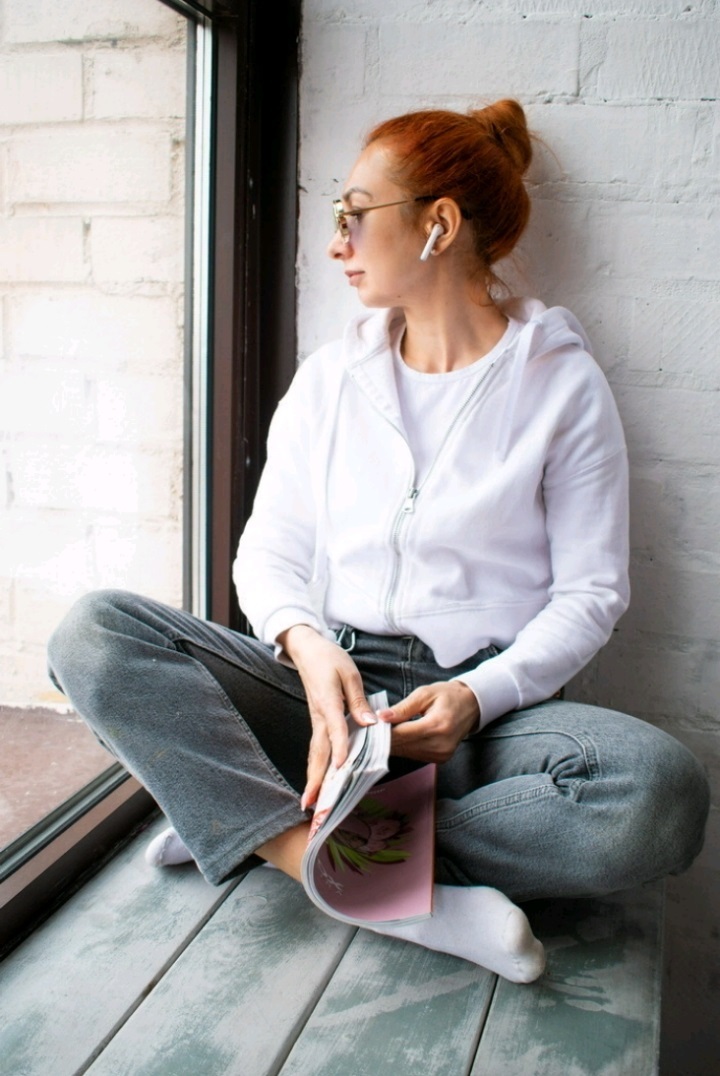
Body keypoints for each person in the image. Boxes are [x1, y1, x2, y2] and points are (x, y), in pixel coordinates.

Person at [48, 99, 709, 985]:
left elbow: (591, 595)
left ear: (438, 224)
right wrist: (309, 649)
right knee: (94, 633)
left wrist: (473, 697)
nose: (337, 244)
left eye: (354, 215)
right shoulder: (331, 379)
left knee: (658, 796)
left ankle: (257, 827)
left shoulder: (561, 386)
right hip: (332, 702)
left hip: (482, 720)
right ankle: (322, 863)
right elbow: (268, 553)